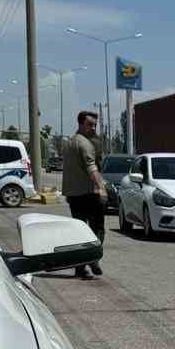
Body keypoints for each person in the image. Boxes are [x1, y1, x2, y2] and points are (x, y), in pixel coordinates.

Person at [62, 109, 106, 280]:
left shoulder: (69, 143)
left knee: (79, 231)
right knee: (98, 228)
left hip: (73, 195)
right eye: (90, 125)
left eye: (95, 125)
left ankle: (80, 268)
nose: (93, 128)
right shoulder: (85, 144)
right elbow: (91, 168)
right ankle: (92, 256)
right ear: (80, 123)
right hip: (89, 193)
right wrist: (101, 188)